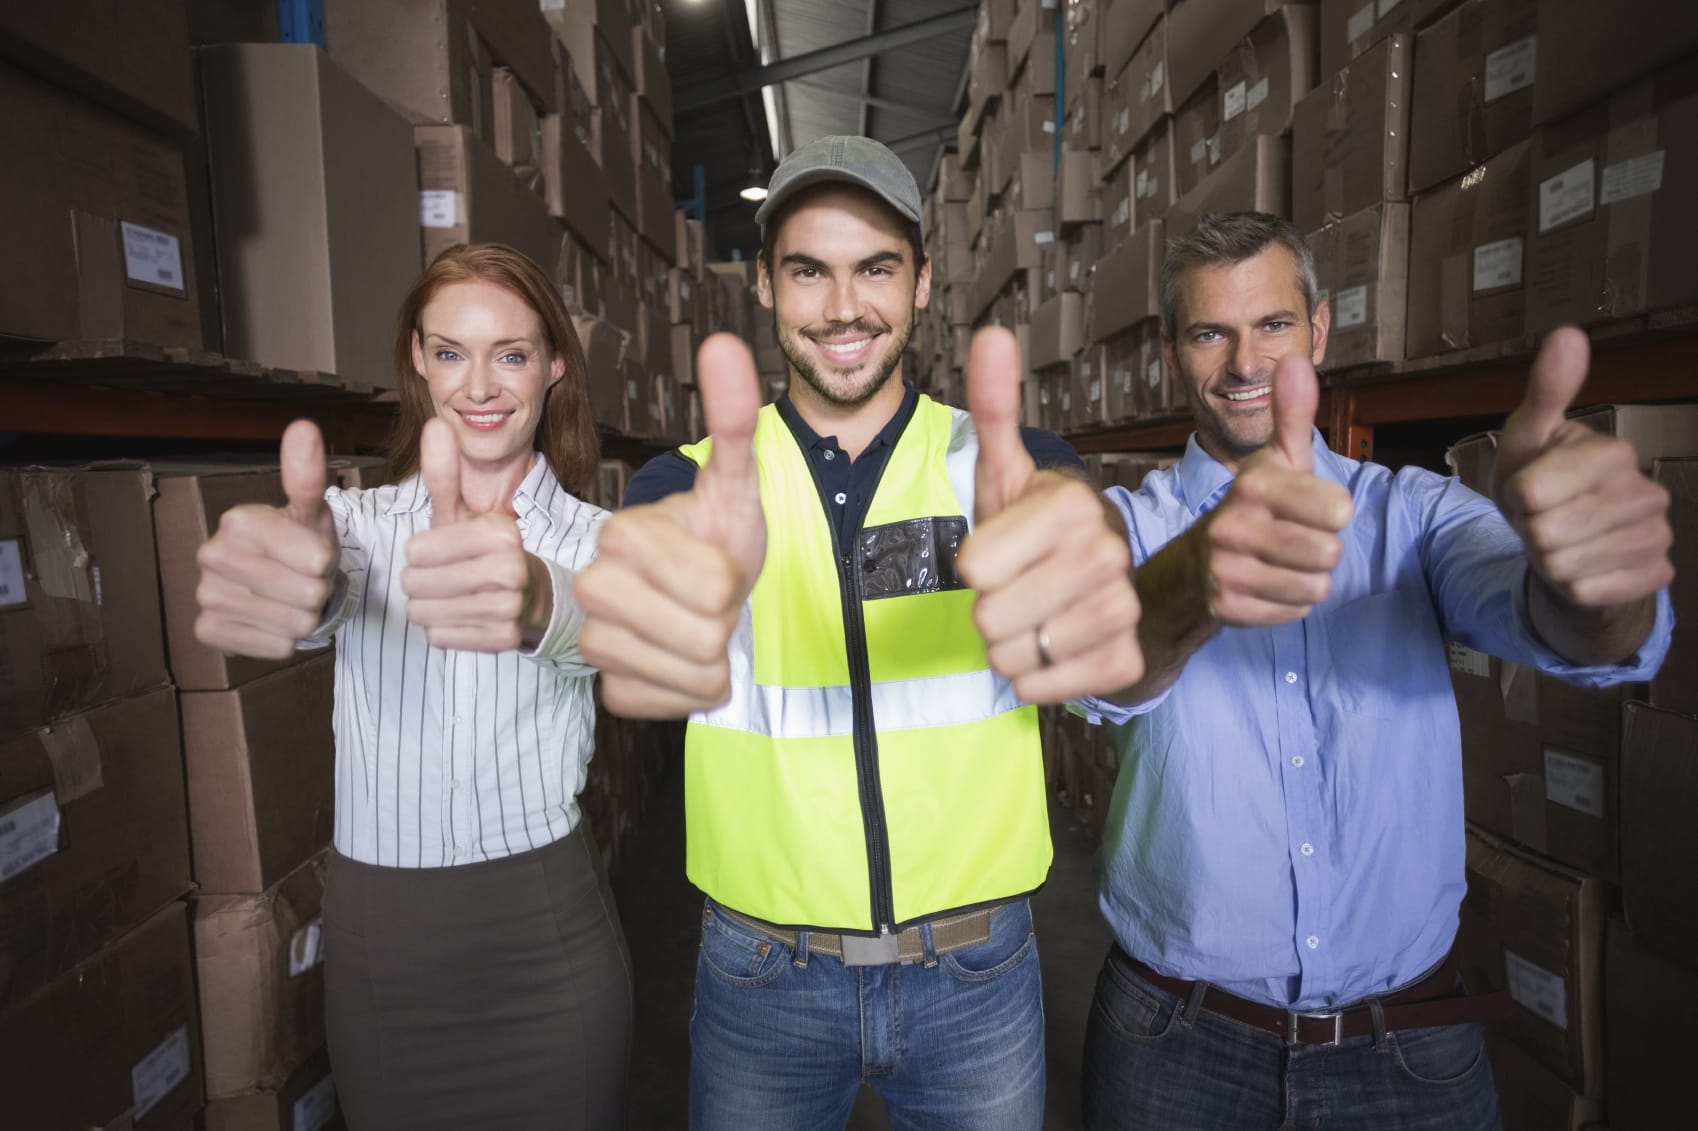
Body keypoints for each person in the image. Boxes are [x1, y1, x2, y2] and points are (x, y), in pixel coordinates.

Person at [573, 135, 1145, 1129]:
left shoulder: (999, 466)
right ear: (765, 285)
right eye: (810, 271)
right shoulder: (696, 483)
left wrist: (1082, 543)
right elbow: (638, 562)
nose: (843, 308)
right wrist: (645, 583)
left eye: (875, 268)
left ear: (922, 282)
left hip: (975, 970)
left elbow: (1072, 518)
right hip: (764, 976)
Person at [1078, 210, 1675, 1130]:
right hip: (1176, 1042)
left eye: (1273, 326)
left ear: (1318, 329)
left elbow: (1557, 625)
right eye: (1211, 333)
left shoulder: (1416, 511)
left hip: (1409, 1047)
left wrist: (1596, 584)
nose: (1245, 364)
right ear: (1171, 350)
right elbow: (1098, 667)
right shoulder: (1133, 525)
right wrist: (1196, 580)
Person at [193, 243, 633, 1129]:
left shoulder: (598, 537)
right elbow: (328, 576)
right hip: (385, 953)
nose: (480, 385)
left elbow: (603, 624)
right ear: (417, 364)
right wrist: (301, 577)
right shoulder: (354, 524)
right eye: (450, 353)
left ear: (553, 367)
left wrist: (535, 597)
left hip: (546, 936)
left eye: (510, 354)